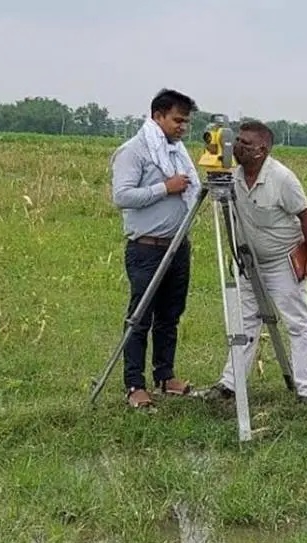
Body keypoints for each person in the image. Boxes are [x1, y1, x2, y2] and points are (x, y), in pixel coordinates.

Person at [212, 120, 307, 402]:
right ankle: (231, 383)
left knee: (297, 322)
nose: (237, 147)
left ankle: (306, 389)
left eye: (245, 144)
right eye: (237, 141)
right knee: (245, 322)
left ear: (262, 150)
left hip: (282, 261)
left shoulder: (282, 178)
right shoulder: (232, 175)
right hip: (249, 261)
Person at [110, 88, 202, 410]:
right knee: (140, 318)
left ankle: (166, 376)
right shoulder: (134, 151)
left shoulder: (177, 152)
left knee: (170, 315)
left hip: (178, 246)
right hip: (147, 249)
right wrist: (166, 187)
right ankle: (134, 384)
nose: (182, 128)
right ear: (158, 115)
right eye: (177, 120)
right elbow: (122, 196)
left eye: (186, 122)